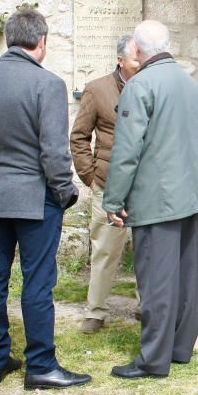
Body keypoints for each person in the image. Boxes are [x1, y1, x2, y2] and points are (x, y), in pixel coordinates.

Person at [0, 8, 90, 390]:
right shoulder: (46, 84)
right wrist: (65, 192)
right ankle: (41, 365)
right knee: (38, 282)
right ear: (41, 41)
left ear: (9, 38)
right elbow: (53, 152)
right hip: (37, 200)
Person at [104, 20, 198, 380]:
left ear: (136, 48)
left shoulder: (140, 86)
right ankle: (180, 348)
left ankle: (153, 359)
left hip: (156, 199)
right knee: (185, 277)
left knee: (157, 281)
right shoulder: (190, 85)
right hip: (190, 195)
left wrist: (113, 199)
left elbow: (126, 151)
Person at [70, 34, 141, 334]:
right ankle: (96, 311)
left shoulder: (150, 85)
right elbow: (79, 137)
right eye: (137, 58)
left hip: (144, 185)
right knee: (104, 251)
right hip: (108, 184)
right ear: (120, 60)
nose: (142, 62)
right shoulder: (97, 89)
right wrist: (90, 175)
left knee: (148, 250)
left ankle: (146, 305)